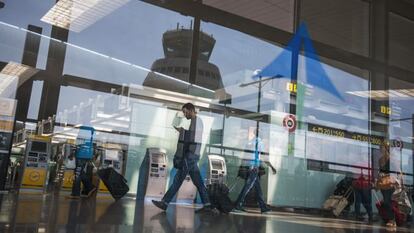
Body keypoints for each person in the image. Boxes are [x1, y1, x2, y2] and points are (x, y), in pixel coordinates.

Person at [152, 103, 217, 213]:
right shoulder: (195, 121)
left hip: (190, 156)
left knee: (177, 180)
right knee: (199, 182)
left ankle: (164, 203)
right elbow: (193, 136)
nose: (185, 114)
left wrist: (182, 132)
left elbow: (193, 139)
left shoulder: (196, 121)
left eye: (185, 112)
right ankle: (207, 204)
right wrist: (182, 131)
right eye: (184, 112)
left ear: (191, 110)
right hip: (192, 156)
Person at [233, 126, 276, 214]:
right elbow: (263, 155)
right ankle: (238, 205)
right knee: (247, 187)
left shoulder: (250, 141)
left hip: (248, 166)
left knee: (258, 188)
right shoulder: (258, 141)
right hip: (254, 167)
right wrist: (271, 166)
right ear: (259, 134)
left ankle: (263, 207)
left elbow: (245, 155)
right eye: (262, 132)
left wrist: (242, 167)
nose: (264, 134)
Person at [67, 126, 97, 199]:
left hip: (81, 154)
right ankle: (90, 187)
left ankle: (76, 194)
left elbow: (78, 143)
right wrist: (92, 155)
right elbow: (94, 144)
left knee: (77, 173)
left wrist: (72, 153)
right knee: (80, 172)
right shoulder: (92, 130)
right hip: (88, 154)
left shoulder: (83, 129)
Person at [377, 141, 396, 228]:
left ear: (386, 148)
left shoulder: (391, 159)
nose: (380, 149)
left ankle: (392, 219)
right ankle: (389, 218)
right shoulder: (380, 160)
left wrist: (385, 175)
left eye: (382, 147)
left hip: (390, 183)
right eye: (380, 147)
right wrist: (379, 175)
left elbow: (394, 172)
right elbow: (380, 171)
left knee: (388, 201)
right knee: (386, 201)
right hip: (383, 183)